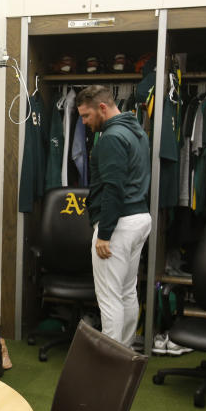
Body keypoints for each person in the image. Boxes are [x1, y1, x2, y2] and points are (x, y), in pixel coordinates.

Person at [76, 84, 151, 347]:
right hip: (139, 218)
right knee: (127, 292)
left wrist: (105, 233)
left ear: (103, 108)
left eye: (86, 116)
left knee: (109, 298)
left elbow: (113, 188)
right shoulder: (136, 130)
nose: (85, 123)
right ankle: (123, 355)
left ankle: (108, 366)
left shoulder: (110, 138)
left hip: (118, 224)